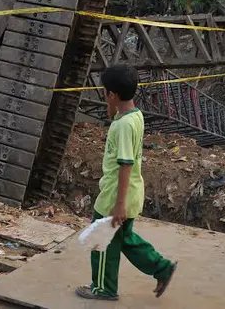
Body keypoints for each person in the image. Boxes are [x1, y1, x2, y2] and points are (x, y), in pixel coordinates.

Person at [75, 64, 177, 301]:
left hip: (115, 196)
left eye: (105, 92)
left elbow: (125, 165)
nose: (104, 96)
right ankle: (162, 267)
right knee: (126, 240)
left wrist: (118, 204)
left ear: (112, 95)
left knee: (102, 244)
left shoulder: (121, 126)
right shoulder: (134, 116)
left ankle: (103, 288)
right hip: (131, 193)